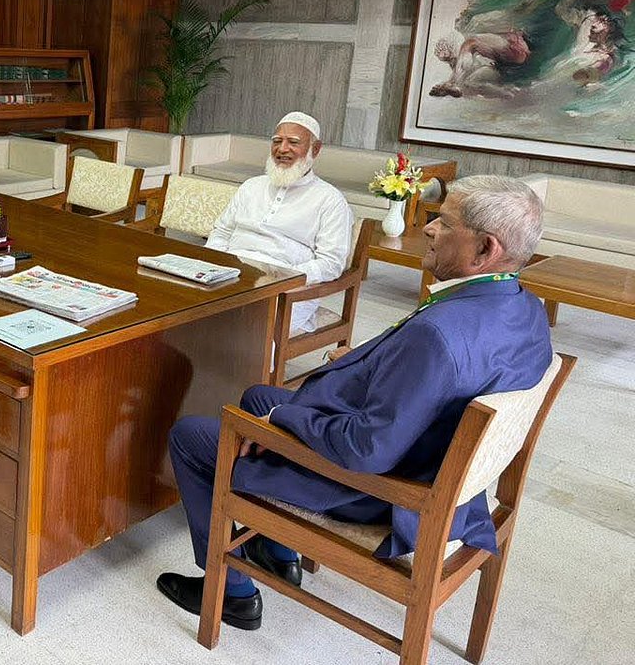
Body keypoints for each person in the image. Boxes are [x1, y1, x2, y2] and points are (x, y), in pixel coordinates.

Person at [158, 174, 552, 632]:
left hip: (378, 489)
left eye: (444, 223)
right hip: (426, 455)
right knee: (256, 395)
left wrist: (282, 418)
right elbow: (440, 381)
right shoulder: (524, 307)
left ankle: (231, 593)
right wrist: (368, 365)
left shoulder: (438, 335)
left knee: (192, 436)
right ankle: (278, 552)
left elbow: (367, 449)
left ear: (485, 249)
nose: (428, 228)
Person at [205, 112, 353, 334]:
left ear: (315, 149)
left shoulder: (330, 200)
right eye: (277, 141)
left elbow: (331, 263)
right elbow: (222, 232)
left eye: (293, 142)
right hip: (230, 276)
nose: (282, 149)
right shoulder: (251, 186)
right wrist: (215, 264)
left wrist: (285, 276)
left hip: (286, 289)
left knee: (244, 331)